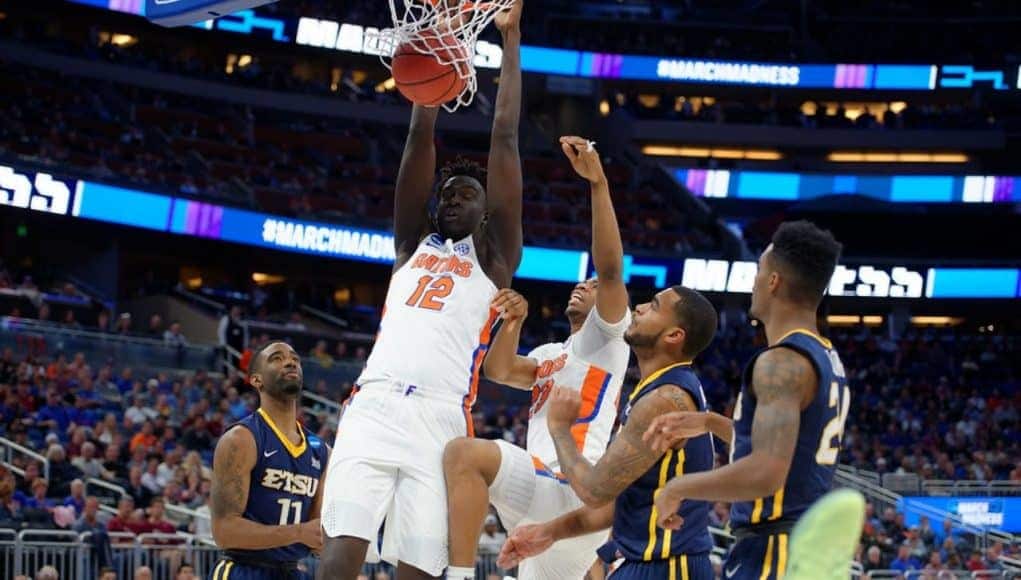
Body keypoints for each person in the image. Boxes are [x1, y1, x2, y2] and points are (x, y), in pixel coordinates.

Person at [318, 2, 525, 578]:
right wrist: (432, 66)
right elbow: (417, 147)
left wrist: (509, 42)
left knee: (421, 565)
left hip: (441, 418)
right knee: (343, 546)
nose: (452, 196)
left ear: (488, 213)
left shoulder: (495, 257)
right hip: (375, 403)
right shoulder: (412, 245)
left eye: (466, 192)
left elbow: (504, 138)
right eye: (448, 191)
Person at [442, 136, 631, 580]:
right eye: (579, 282)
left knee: (464, 456)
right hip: (546, 502)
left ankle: (458, 574)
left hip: (570, 484)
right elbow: (500, 370)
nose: (583, 286)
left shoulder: (609, 340)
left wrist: (598, 184)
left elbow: (609, 268)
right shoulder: (551, 354)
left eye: (592, 285)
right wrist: (513, 322)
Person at [642, 221, 847, 580]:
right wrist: (709, 423)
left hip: (776, 553)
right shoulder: (824, 355)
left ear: (773, 282)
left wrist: (677, 488)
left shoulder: (780, 363)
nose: (753, 281)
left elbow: (767, 471)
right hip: (799, 548)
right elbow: (791, 451)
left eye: (758, 271)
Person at [497, 286, 720, 579]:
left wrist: (560, 429)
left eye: (652, 305)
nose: (638, 307)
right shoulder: (659, 390)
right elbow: (615, 503)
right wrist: (548, 532)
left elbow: (594, 491)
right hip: (648, 561)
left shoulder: (664, 397)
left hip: (668, 565)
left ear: (673, 336)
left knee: (472, 455)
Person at [210, 341, 328, 579]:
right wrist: (297, 533)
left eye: (295, 358)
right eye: (276, 358)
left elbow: (315, 534)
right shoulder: (241, 439)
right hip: (243, 569)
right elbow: (224, 531)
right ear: (256, 380)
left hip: (292, 571)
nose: (290, 361)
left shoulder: (321, 450)